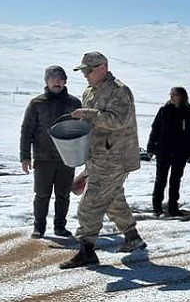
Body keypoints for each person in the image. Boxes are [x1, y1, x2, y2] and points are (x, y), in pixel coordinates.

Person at [59, 51, 146, 269]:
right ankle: (132, 236)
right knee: (113, 198)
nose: (85, 74)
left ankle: (87, 250)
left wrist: (88, 114)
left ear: (103, 68)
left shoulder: (119, 91)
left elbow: (118, 121)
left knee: (89, 206)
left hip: (115, 158)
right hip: (98, 156)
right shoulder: (90, 91)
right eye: (83, 71)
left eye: (89, 70)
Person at [20, 65, 81, 238]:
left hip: (67, 158)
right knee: (42, 195)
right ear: (46, 81)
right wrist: (25, 156)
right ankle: (39, 227)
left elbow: (82, 130)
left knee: (63, 195)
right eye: (53, 78)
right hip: (43, 157)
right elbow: (27, 130)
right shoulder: (37, 103)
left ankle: (60, 226)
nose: (57, 82)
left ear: (65, 82)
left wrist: (83, 155)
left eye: (60, 79)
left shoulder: (74, 104)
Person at [146, 86, 190, 217]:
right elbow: (155, 129)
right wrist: (151, 147)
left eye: (175, 95)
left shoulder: (188, 112)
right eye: (171, 94)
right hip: (163, 150)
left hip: (180, 152)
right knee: (160, 180)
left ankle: (173, 208)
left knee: (175, 180)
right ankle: (157, 208)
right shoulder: (164, 111)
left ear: (182, 96)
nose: (172, 97)